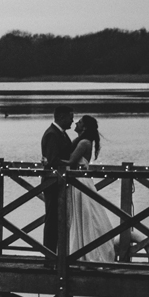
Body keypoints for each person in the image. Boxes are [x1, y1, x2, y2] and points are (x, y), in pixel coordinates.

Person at [66, 115, 115, 262]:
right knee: (83, 214)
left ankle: (88, 252)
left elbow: (71, 161)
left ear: (85, 127)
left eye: (79, 122)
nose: (76, 122)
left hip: (80, 182)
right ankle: (80, 249)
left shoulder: (83, 143)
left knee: (86, 215)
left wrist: (50, 161)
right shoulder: (84, 141)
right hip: (80, 181)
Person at [40, 107, 75, 251]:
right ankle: (49, 254)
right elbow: (53, 160)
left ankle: (60, 253)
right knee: (52, 219)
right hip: (53, 183)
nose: (73, 120)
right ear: (61, 117)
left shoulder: (61, 134)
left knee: (61, 219)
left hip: (61, 182)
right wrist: (71, 165)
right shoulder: (52, 134)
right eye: (70, 117)